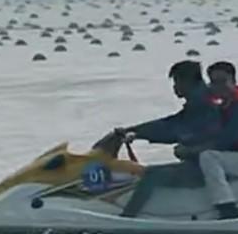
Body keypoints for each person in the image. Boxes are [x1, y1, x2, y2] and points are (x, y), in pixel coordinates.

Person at [94, 60, 223, 218]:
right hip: (202, 162)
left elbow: (174, 129)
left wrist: (137, 132)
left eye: (177, 82)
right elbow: (170, 123)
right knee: (144, 172)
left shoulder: (202, 105)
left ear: (188, 81)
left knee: (151, 175)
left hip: (204, 167)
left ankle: (128, 217)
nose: (175, 87)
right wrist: (133, 131)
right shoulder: (201, 101)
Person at [176, 60, 238, 218]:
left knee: (208, 157)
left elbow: (225, 140)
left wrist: (191, 151)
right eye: (214, 82)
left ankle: (226, 207)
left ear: (233, 81)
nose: (219, 87)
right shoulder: (224, 104)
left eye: (223, 82)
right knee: (200, 155)